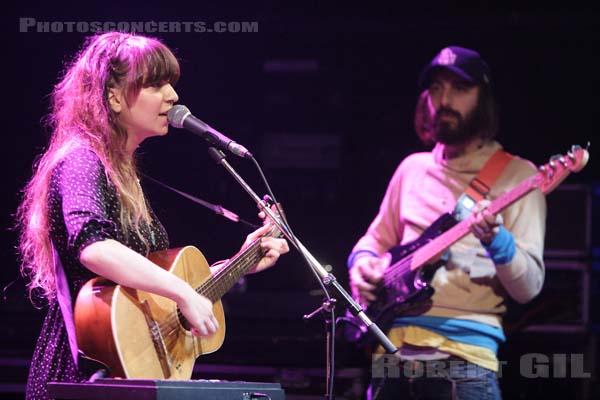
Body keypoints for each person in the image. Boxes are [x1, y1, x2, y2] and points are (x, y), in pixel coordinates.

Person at [16, 32, 289, 400]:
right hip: (87, 369)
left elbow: (149, 291)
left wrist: (242, 261)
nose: (173, 96)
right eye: (155, 85)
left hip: (130, 372)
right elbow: (93, 248)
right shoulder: (82, 158)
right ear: (112, 96)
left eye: (171, 85)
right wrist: (181, 292)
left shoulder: (124, 174)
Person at [347, 46, 546, 399]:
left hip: (465, 362)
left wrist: (497, 240)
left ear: (483, 99)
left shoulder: (519, 176)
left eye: (459, 89)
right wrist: (361, 264)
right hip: (391, 357)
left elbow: (528, 287)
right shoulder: (412, 168)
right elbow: (373, 240)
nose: (444, 99)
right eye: (437, 88)